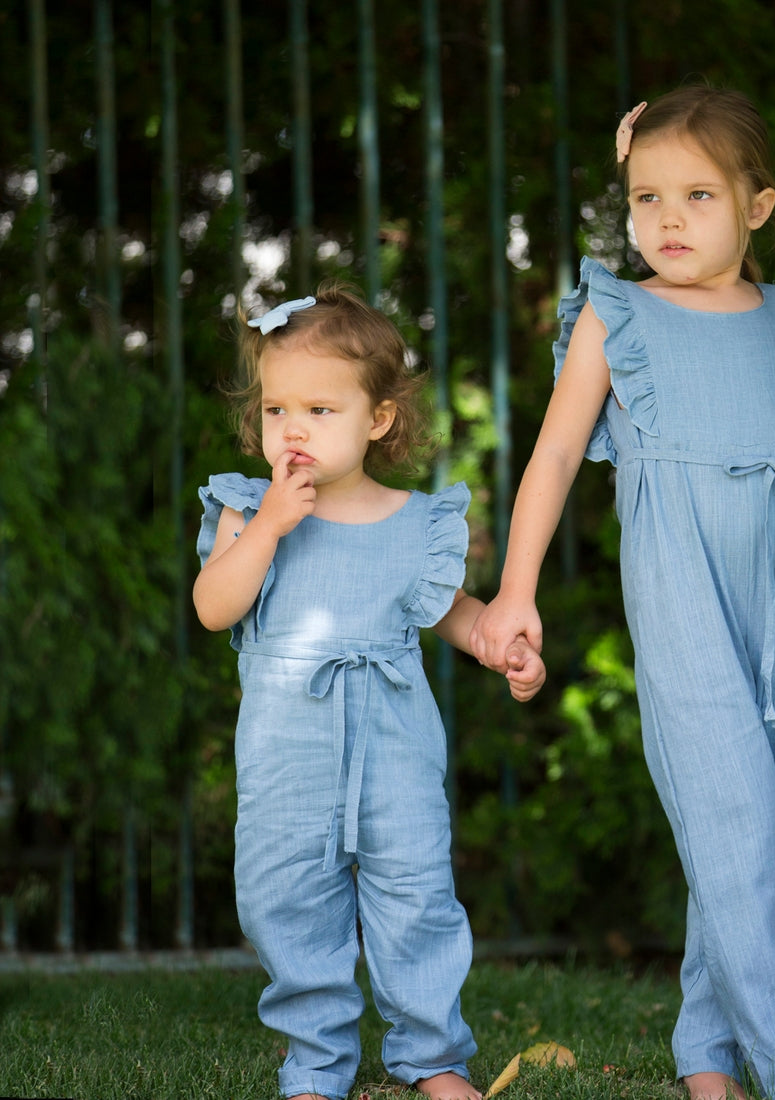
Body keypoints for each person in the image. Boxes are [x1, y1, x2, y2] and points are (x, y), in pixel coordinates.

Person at [470, 86, 775, 1100]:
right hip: (680, 590)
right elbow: (556, 451)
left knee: (753, 828)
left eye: (696, 194)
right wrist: (513, 590)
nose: (664, 218)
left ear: (755, 205)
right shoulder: (619, 314)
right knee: (732, 818)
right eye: (645, 194)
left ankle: (704, 1057)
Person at [193, 282, 545, 1100]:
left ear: (377, 419)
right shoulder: (246, 509)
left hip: (395, 753)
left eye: (320, 410)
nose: (294, 430)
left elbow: (448, 610)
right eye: (277, 410)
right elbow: (215, 607)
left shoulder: (415, 521)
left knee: (416, 897)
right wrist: (274, 525)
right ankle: (314, 1062)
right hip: (288, 763)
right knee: (288, 903)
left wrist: (499, 642)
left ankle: (433, 1057)